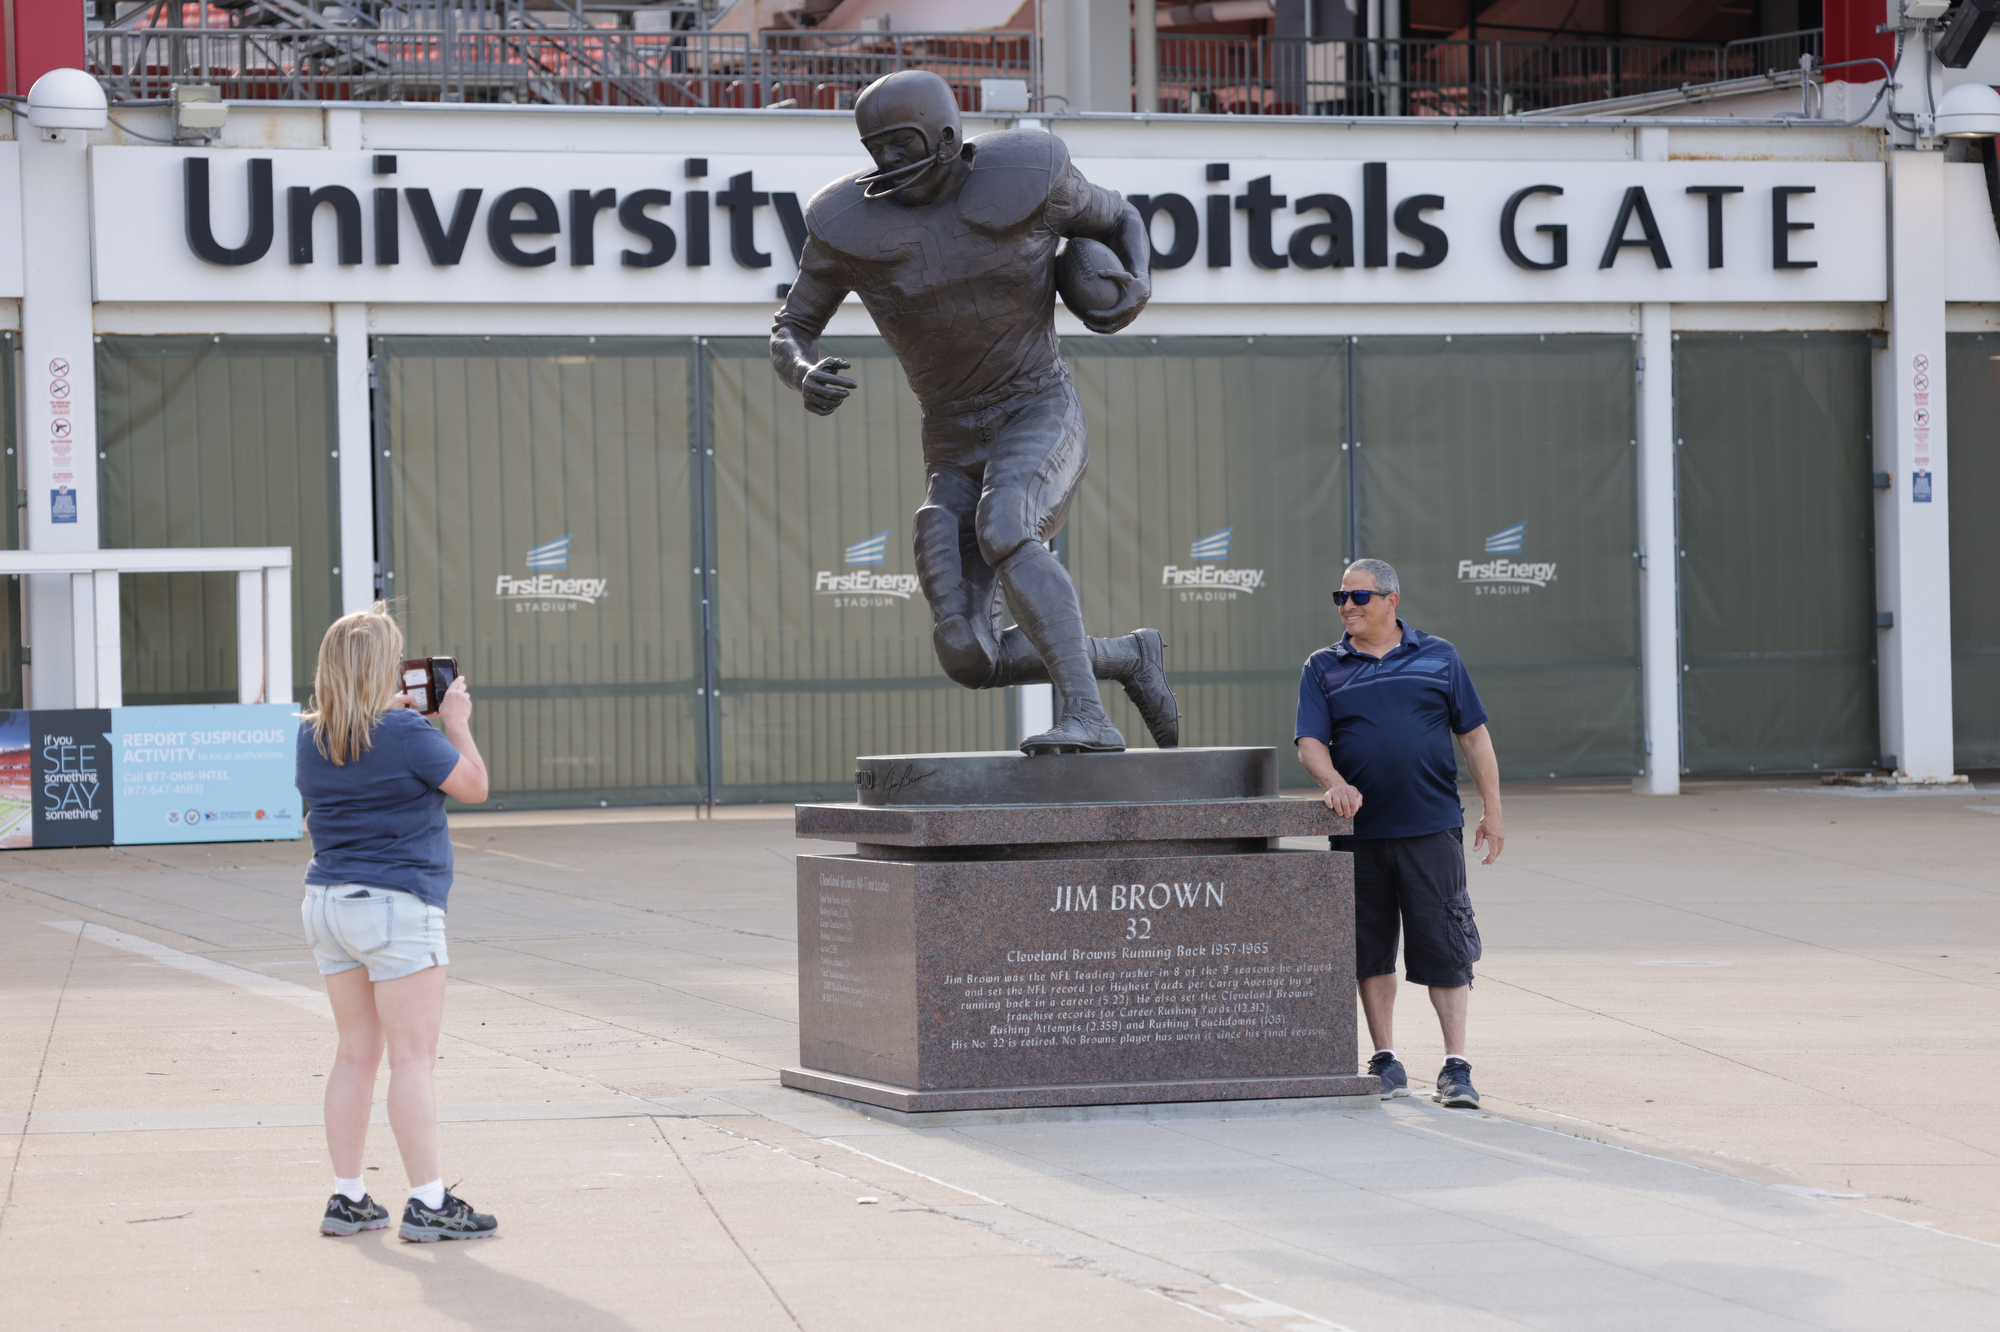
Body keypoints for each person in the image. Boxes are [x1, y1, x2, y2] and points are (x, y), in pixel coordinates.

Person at [770, 68, 1179, 755]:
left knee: (1008, 524)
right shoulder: (846, 225)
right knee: (966, 651)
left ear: (948, 135)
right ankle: (1128, 659)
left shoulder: (1029, 175)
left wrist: (1134, 282)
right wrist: (802, 370)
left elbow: (1119, 217)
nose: (890, 162)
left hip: (1036, 406)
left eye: (902, 143)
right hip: (951, 435)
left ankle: (1089, 716)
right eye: (878, 149)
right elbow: (791, 325)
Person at [297, 603, 496, 1241]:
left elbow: (335, 793)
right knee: (412, 1061)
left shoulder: (313, 733)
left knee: (355, 1055)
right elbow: (474, 786)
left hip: (328, 903)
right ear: (388, 669)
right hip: (397, 904)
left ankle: (348, 1197)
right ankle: (430, 1203)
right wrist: (457, 723)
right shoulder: (410, 735)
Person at [1294, 559, 1504, 1110]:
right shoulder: (1322, 666)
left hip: (1431, 827)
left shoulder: (1439, 656)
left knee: (1446, 948)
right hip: (1358, 834)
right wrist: (1334, 782)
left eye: (1358, 597)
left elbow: (1475, 739)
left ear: (1392, 601)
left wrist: (1494, 811)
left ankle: (1456, 1066)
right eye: (1340, 596)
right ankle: (1385, 1059)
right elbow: (1310, 741)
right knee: (1370, 949)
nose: (1346, 606)